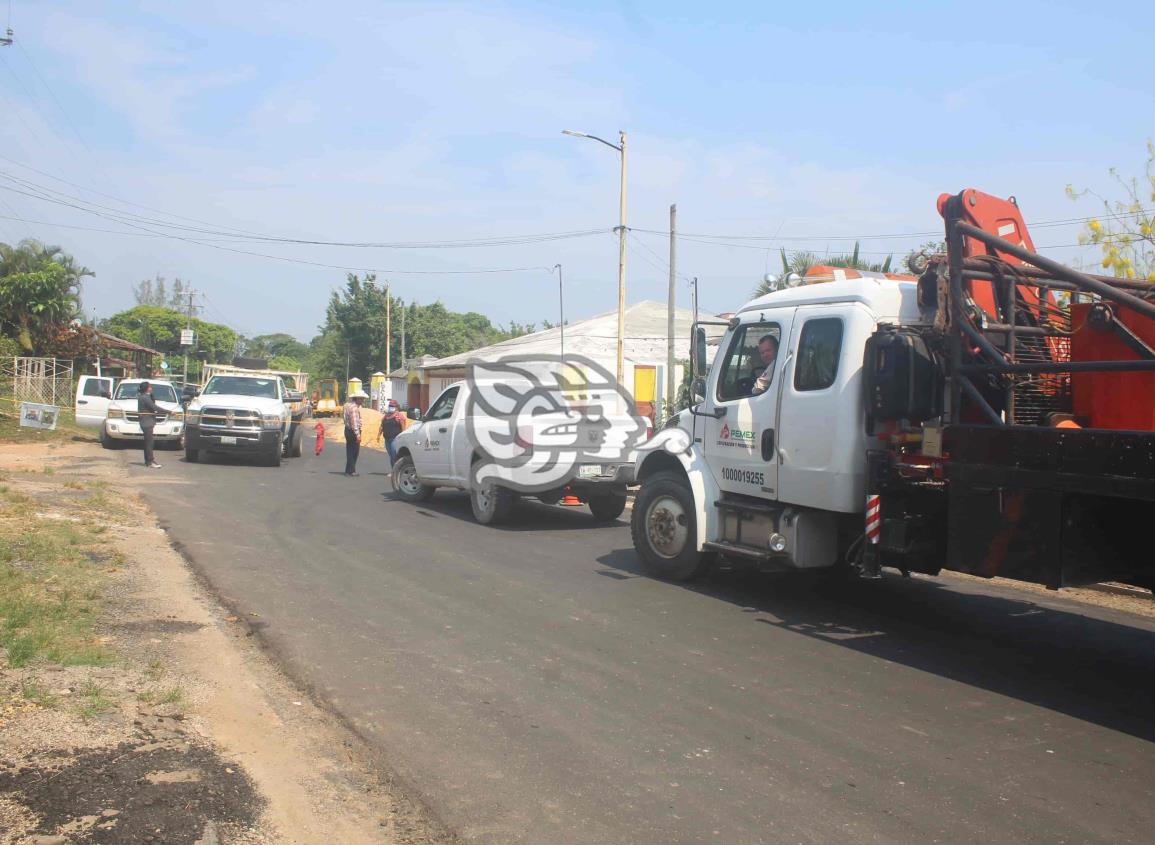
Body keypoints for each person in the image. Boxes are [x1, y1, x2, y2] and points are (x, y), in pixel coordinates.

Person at [342, 389, 368, 476]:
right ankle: (351, 471)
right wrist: (358, 435)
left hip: (347, 430)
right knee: (354, 451)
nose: (363, 400)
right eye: (362, 399)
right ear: (357, 399)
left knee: (349, 450)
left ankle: (348, 470)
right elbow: (354, 423)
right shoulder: (354, 408)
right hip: (353, 431)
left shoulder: (346, 405)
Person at [137, 381, 162, 469]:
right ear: (147, 388)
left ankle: (148, 461)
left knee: (148, 442)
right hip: (146, 422)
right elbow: (155, 407)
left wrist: (152, 397)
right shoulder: (144, 398)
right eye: (150, 387)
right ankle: (150, 461)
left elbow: (152, 405)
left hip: (147, 422)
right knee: (149, 443)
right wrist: (170, 412)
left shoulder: (145, 397)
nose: (151, 388)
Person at [378, 399, 407, 465]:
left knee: (394, 455)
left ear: (396, 407)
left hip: (395, 439)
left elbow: (403, 428)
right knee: (391, 455)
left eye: (392, 406)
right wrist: (378, 435)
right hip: (387, 439)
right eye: (390, 406)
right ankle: (393, 471)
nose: (391, 407)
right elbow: (382, 426)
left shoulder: (399, 416)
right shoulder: (386, 416)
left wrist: (403, 438)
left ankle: (396, 470)